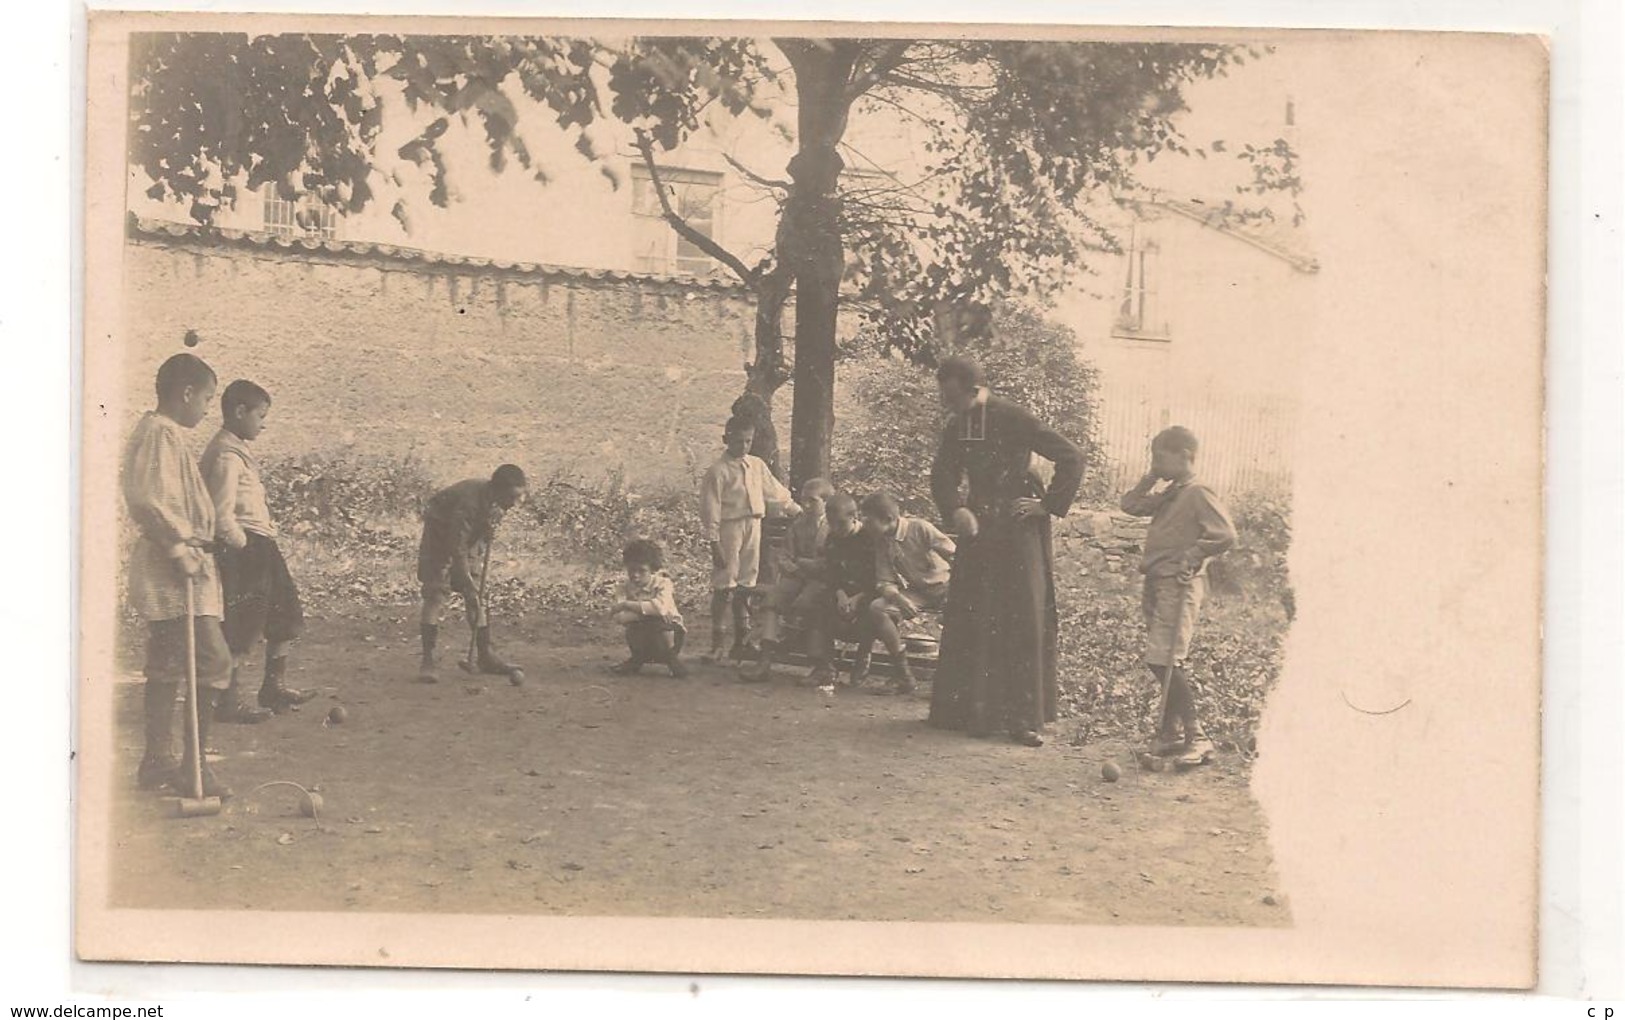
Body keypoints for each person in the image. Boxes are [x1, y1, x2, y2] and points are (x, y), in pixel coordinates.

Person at [927, 355, 1085, 747]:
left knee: (1021, 620)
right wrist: (955, 508)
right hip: (979, 529)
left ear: (975, 389)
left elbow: (1072, 457)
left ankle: (1023, 720)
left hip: (1017, 531)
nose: (947, 404)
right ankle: (969, 712)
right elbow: (942, 473)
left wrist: (1048, 504)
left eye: (952, 396)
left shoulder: (1015, 417)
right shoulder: (956, 425)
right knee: (974, 614)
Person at [121, 352, 234, 797]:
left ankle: (156, 760)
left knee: (169, 660)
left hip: (182, 564)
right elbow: (149, 498)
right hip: (175, 568)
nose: (208, 408)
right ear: (186, 393)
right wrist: (175, 545)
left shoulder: (165, 434)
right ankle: (193, 766)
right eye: (207, 398)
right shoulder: (160, 434)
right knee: (213, 660)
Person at [200, 379, 318, 723]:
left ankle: (273, 686)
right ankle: (227, 701)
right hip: (245, 547)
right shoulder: (225, 455)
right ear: (240, 412)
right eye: (260, 416)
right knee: (244, 623)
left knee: (285, 613)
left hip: (261, 544)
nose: (263, 423)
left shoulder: (236, 449)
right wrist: (243, 546)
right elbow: (220, 514)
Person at [1119, 426, 1236, 764]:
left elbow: (1225, 534)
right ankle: (1170, 733)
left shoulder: (1198, 492)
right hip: (1157, 581)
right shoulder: (1172, 491)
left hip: (1179, 584)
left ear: (1185, 456)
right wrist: (1152, 475)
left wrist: (1193, 555)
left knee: (1164, 659)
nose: (1155, 463)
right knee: (1161, 658)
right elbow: (1130, 504)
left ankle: (1197, 737)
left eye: (1160, 457)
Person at [698, 415, 798, 663]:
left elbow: (774, 492)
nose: (743, 446)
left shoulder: (757, 465)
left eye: (748, 441)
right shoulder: (718, 471)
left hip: (753, 525)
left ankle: (741, 641)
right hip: (729, 528)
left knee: (746, 583)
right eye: (738, 441)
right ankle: (717, 644)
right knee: (725, 584)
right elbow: (710, 508)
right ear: (726, 439)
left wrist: (796, 509)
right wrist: (714, 542)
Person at [416, 464, 528, 683]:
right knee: (436, 594)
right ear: (498, 491)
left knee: (476, 596)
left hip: (467, 540)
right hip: (439, 538)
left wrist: (486, 534)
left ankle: (485, 656)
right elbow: (455, 546)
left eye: (519, 497)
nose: (516, 503)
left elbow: (477, 536)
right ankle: (428, 660)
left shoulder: (498, 502)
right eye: (512, 497)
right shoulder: (468, 503)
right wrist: (465, 581)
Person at [745, 477, 835, 683]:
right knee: (772, 600)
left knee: (809, 603)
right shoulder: (798, 525)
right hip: (797, 577)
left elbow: (829, 562)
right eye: (804, 500)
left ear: (826, 503)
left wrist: (805, 565)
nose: (806, 505)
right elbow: (784, 555)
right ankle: (765, 661)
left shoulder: (832, 527)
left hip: (820, 581)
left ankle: (820, 665)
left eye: (813, 501)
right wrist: (791, 566)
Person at [610, 538, 688, 678]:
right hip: (642, 629)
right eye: (632, 570)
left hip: (669, 632)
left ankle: (672, 660)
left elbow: (661, 609)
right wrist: (649, 611)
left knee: (660, 626)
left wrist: (627, 605)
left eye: (642, 570)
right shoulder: (624, 588)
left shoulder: (663, 584)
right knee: (634, 628)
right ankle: (637, 659)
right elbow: (620, 617)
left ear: (653, 569)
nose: (635, 575)